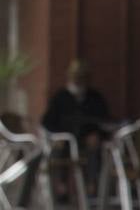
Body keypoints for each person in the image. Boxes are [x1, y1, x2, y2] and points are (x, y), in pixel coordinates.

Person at [40, 58, 111, 194]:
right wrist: (57, 136)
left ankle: (91, 186)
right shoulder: (60, 97)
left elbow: (104, 122)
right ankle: (61, 187)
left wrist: (97, 134)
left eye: (81, 76)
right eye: (75, 76)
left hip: (86, 139)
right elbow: (47, 122)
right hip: (64, 140)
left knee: (94, 150)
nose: (78, 79)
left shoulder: (95, 98)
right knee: (59, 151)